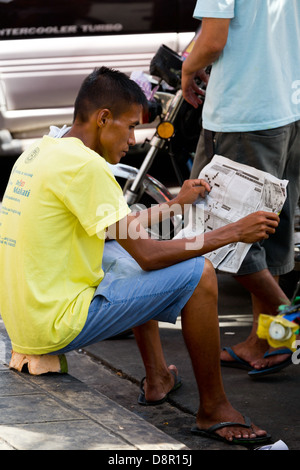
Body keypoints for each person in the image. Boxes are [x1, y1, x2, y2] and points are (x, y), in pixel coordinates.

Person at [0, 67, 277, 445]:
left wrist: (177, 205)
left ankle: (159, 378)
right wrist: (231, 232)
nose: (133, 139)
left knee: (123, 250)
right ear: (103, 119)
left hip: (25, 320)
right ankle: (213, 408)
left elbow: (120, 228)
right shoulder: (86, 167)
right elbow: (148, 255)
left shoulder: (47, 150)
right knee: (198, 273)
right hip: (53, 324)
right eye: (130, 127)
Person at [181, 0, 300, 377]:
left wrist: (188, 65)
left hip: (243, 114)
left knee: (222, 232)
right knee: (271, 231)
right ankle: (267, 339)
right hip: (290, 107)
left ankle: (292, 324)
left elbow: (213, 40)